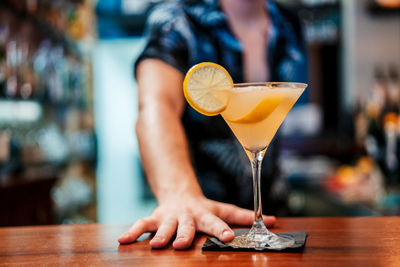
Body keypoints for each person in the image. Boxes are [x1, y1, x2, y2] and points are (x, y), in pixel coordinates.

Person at [118, 0, 307, 249]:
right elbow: (156, 106)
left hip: (277, 222)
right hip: (203, 228)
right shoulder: (176, 21)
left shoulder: (289, 24)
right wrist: (179, 193)